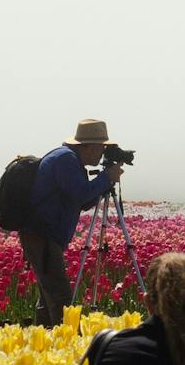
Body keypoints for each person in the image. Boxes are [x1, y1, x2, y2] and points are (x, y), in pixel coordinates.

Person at [20, 120, 123, 326]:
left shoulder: (70, 160)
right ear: (90, 146)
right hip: (43, 236)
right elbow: (81, 194)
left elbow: (81, 201)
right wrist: (106, 178)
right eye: (101, 148)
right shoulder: (65, 160)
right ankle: (65, 339)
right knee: (61, 298)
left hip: (44, 236)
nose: (102, 154)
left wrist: (104, 182)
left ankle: (43, 336)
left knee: (49, 296)